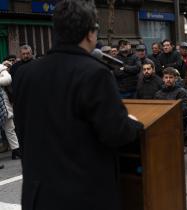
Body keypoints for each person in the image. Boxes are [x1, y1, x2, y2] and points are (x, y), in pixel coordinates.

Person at [12, 1, 143, 210]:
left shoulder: (25, 74)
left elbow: (23, 129)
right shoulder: (95, 73)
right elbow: (116, 133)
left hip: (38, 196)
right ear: (90, 33)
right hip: (83, 197)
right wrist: (134, 125)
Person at [0, 64, 21, 159]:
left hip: (2, 104)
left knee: (10, 128)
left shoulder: (1, 67)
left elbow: (7, 79)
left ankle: (15, 150)